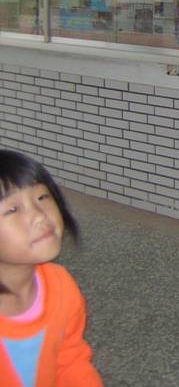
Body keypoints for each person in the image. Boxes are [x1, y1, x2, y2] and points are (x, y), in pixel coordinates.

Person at [0, 149, 103, 386]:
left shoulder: (61, 286)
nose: (40, 216)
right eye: (12, 209)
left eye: (42, 197)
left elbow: (70, 360)